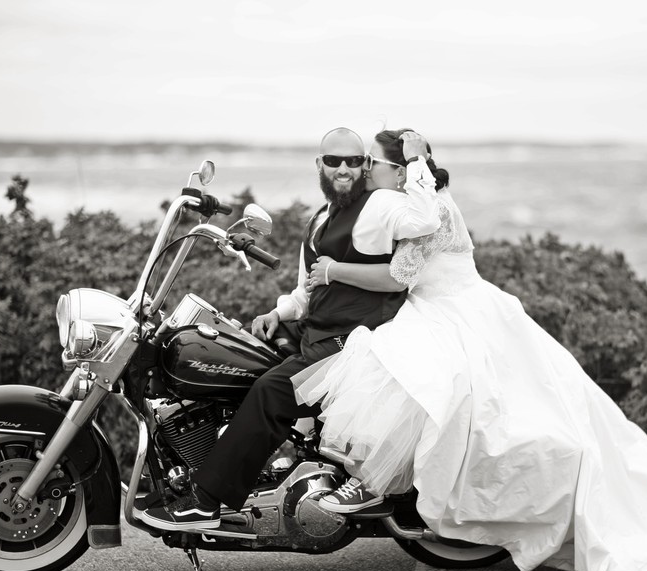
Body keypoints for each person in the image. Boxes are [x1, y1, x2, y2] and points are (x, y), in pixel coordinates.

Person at [293, 128, 647, 571]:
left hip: (457, 312)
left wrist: (336, 269)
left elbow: (402, 274)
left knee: (439, 389)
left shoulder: (422, 205)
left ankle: (387, 488)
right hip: (448, 308)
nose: (363, 172)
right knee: (468, 401)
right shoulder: (405, 202)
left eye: (372, 163)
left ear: (398, 171)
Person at [139, 127, 440, 531]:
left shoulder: (381, 204)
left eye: (355, 161)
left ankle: (206, 502)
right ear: (319, 165)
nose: (345, 169)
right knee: (236, 353)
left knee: (271, 392)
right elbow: (305, 289)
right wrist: (279, 313)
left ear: (366, 165)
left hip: (352, 341)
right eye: (334, 161)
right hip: (317, 329)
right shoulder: (320, 219)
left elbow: (424, 220)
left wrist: (416, 161)